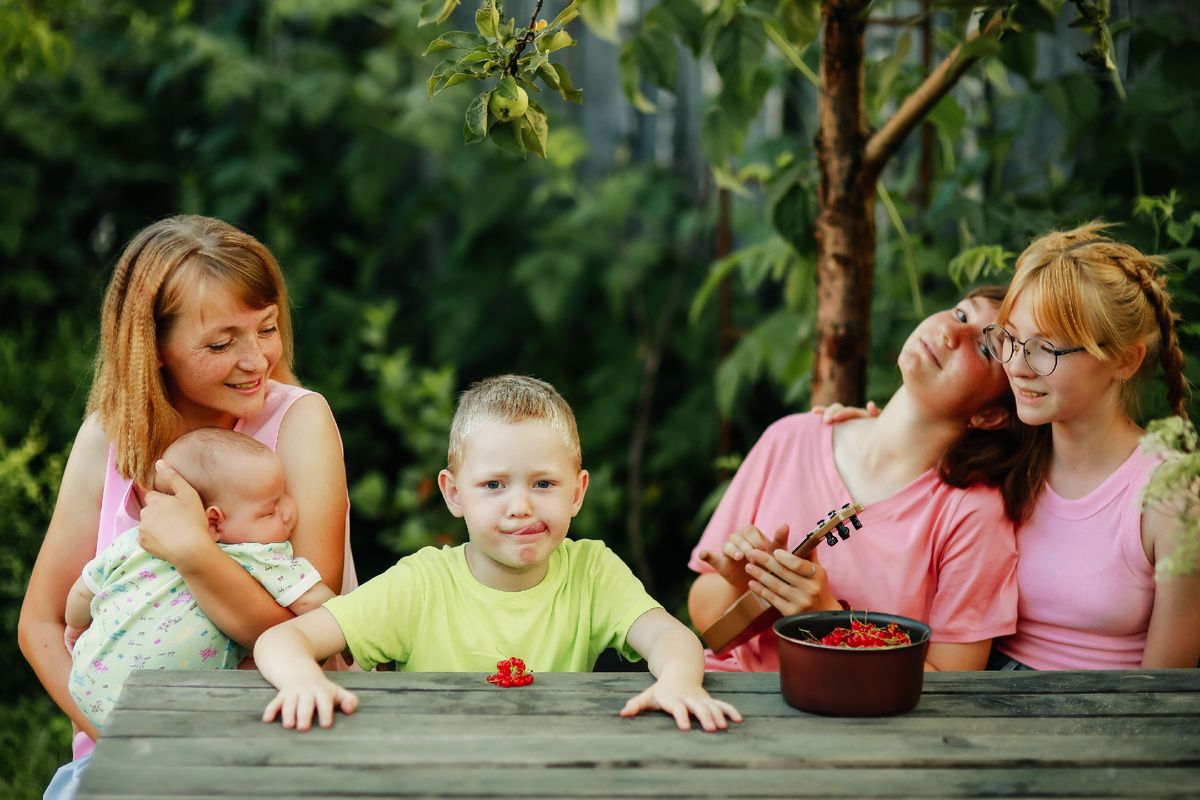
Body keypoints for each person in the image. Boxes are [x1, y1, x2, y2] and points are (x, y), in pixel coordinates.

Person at [18, 215, 357, 794]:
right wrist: (122, 739)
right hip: (122, 755)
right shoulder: (106, 438)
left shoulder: (299, 422)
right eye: (222, 343)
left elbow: (314, 634)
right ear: (153, 348)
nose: (257, 360)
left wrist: (195, 554)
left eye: (267, 328)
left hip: (272, 748)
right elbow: (42, 623)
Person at [254, 375, 742, 733]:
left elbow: (670, 637)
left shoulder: (591, 571)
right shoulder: (421, 584)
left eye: (544, 484)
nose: (520, 506)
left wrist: (679, 682)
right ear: (454, 494)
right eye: (493, 485)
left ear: (577, 492)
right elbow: (282, 640)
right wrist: (302, 682)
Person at [689, 286, 1033, 673]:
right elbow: (706, 621)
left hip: (855, 710)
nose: (950, 333)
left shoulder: (972, 514)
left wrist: (828, 619)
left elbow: (953, 682)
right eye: (961, 313)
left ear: (990, 416)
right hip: (728, 693)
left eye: (985, 349)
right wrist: (742, 584)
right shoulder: (791, 437)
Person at [982, 222, 1200, 670]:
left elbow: (1163, 693)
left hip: (1105, 707)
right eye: (1011, 339)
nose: (1018, 366)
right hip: (980, 692)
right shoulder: (1002, 448)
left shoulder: (1172, 498)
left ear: (1125, 360)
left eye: (1046, 348)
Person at [65, 427, 336, 731]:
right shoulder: (259, 557)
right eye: (270, 511)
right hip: (167, 717)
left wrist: (75, 628)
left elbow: (84, 590)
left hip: (86, 686)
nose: (289, 511)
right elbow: (320, 606)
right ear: (214, 521)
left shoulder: (136, 542)